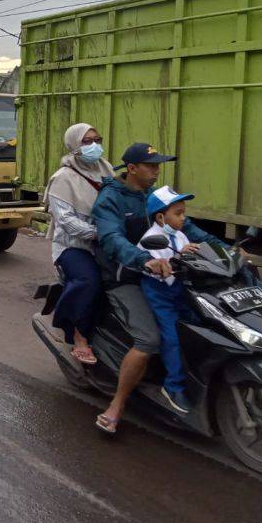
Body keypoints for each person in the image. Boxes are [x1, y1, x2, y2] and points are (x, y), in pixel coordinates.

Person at [91, 142, 224, 435]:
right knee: (149, 340)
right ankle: (118, 404)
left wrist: (227, 251)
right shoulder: (110, 199)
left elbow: (188, 229)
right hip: (125, 276)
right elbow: (112, 238)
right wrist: (143, 260)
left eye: (158, 165)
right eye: (150, 165)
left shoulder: (155, 196)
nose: (156, 170)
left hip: (167, 274)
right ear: (133, 168)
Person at [43, 123, 114, 365]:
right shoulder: (63, 179)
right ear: (74, 145)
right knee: (89, 281)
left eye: (97, 139)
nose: (94, 146)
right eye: (86, 142)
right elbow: (66, 222)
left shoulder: (107, 170)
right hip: (73, 246)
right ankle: (79, 336)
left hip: (108, 242)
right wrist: (99, 233)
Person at [138, 186, 201, 414]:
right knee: (172, 337)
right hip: (161, 295)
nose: (183, 218)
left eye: (184, 212)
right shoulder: (152, 239)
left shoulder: (180, 235)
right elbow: (160, 269)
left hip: (181, 293)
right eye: (178, 213)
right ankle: (172, 387)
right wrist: (179, 255)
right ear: (160, 217)